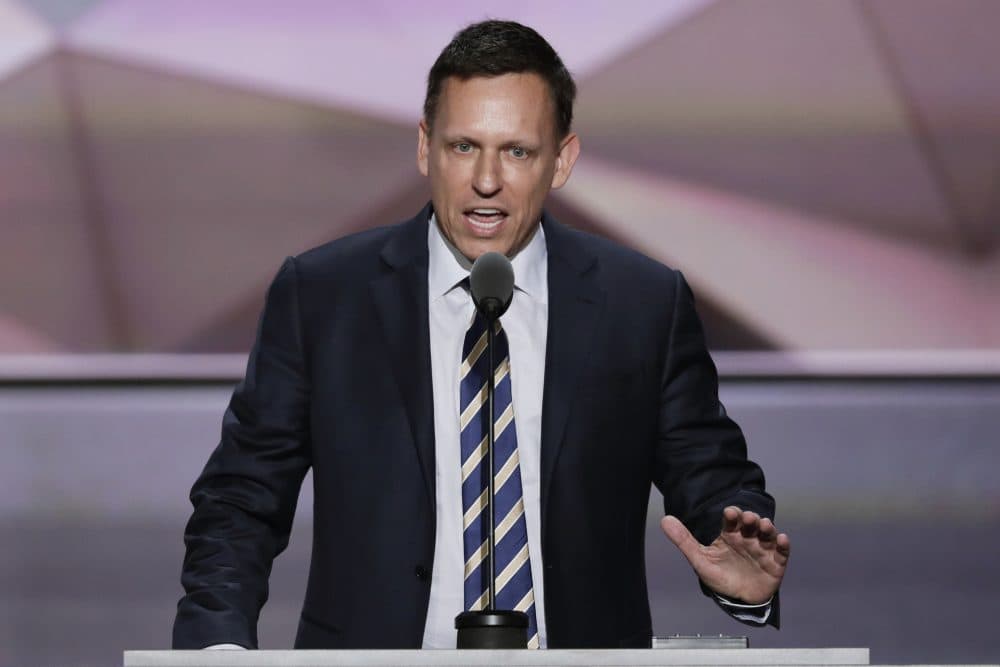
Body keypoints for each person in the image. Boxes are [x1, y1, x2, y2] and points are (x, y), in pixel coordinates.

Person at [173, 19, 790, 651]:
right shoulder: (325, 296)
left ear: (562, 160)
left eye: (517, 151)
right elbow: (242, 499)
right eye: (463, 146)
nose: (486, 180)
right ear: (424, 148)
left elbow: (712, 478)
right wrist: (217, 647)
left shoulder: (641, 305)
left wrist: (743, 576)